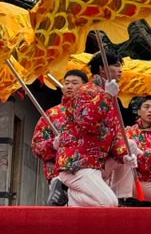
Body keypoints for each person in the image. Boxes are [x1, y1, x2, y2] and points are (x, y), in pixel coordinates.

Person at [54, 58, 138, 207]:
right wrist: (106, 96)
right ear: (102, 68)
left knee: (129, 145)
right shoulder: (85, 91)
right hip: (77, 163)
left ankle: (71, 197)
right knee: (108, 203)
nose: (120, 70)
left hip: (95, 163)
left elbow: (115, 133)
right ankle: (70, 193)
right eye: (116, 65)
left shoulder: (109, 95)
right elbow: (87, 121)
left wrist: (124, 155)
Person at [31, 102, 70, 206]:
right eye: (67, 84)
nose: (70, 86)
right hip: (59, 179)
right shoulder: (51, 114)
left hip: (90, 175)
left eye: (75, 84)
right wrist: (52, 145)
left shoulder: (94, 112)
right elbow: (37, 146)